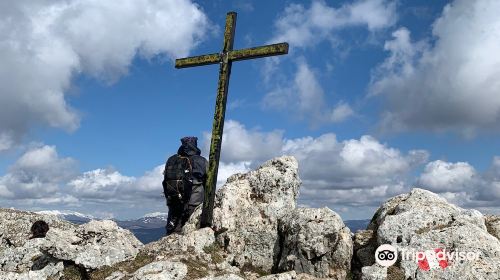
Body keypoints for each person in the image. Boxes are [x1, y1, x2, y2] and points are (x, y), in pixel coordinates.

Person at [162, 136, 207, 235]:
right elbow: (208, 181)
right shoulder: (201, 161)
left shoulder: (173, 160)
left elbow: (165, 181)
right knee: (192, 233)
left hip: (175, 201)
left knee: (173, 233)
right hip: (194, 202)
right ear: (195, 145)